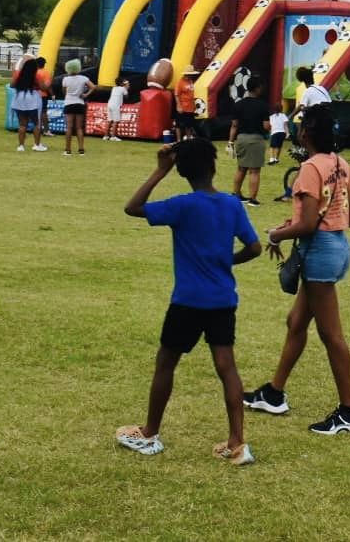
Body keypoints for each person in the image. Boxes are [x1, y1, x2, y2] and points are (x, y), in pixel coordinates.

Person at [116, 139, 261, 464]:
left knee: (166, 363)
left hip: (188, 301)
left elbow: (133, 207)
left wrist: (159, 170)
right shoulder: (231, 204)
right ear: (213, 167)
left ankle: (150, 433)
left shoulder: (182, 205)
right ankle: (237, 443)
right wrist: (226, 261)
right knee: (227, 367)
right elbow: (254, 248)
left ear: (181, 173)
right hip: (223, 299)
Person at [244, 104, 350, 436]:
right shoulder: (341, 164)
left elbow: (309, 224)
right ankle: (274, 392)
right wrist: (296, 224)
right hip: (338, 247)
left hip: (319, 253)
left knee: (332, 335)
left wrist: (276, 233)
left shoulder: (309, 168)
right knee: (296, 322)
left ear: (307, 133)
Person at [227, 74, 270, 207]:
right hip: (255, 139)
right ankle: (252, 199)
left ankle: (236, 194)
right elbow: (266, 126)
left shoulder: (238, 105)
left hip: (241, 139)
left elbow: (234, 125)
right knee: (254, 170)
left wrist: (230, 142)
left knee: (241, 168)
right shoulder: (263, 106)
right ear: (257, 88)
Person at [11, 57, 48, 152]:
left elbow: (12, 85)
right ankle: (37, 144)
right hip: (32, 99)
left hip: (19, 98)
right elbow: (43, 87)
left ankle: (21, 146)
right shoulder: (36, 75)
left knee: (22, 124)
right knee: (36, 123)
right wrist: (47, 84)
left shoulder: (19, 75)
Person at [61, 58, 94, 156]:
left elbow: (64, 91)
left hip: (69, 103)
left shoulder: (65, 79)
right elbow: (93, 87)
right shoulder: (83, 78)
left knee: (69, 128)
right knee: (79, 128)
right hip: (80, 103)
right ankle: (81, 149)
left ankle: (67, 150)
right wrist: (86, 94)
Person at [174, 68, 199, 140]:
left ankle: (188, 140)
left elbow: (191, 93)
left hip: (190, 107)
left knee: (189, 125)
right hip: (183, 107)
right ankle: (179, 140)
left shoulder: (190, 81)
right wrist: (179, 106)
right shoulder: (180, 82)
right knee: (179, 124)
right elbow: (176, 95)